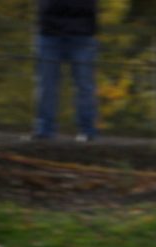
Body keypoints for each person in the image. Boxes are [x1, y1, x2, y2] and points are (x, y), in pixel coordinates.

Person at [34, 0, 99, 141]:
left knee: (84, 86)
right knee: (47, 85)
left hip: (81, 34)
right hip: (50, 33)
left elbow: (87, 7)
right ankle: (44, 131)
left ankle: (87, 131)